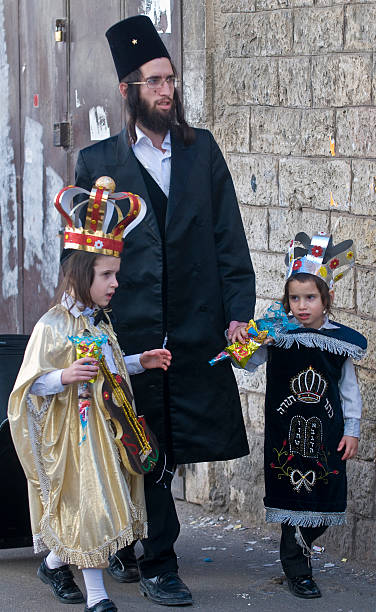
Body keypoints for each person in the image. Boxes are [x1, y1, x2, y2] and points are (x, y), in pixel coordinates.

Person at [74, 15, 255, 607]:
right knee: (139, 437)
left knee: (170, 445)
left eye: (171, 79)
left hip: (196, 323)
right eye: (154, 81)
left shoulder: (202, 152)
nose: (166, 90)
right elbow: (82, 254)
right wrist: (85, 317)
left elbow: (229, 236)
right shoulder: (97, 163)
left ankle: (136, 546)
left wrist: (239, 310)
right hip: (132, 327)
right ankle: (158, 560)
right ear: (128, 90)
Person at [8, 182, 172, 612]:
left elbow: (109, 368)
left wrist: (141, 361)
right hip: (73, 436)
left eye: (115, 274)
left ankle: (55, 561)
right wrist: (63, 374)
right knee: (91, 507)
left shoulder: (100, 324)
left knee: (102, 507)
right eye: (106, 275)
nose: (116, 283)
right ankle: (97, 597)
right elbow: (28, 385)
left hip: (111, 430)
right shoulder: (52, 326)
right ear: (82, 275)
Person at [244, 232, 367, 599]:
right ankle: (298, 571)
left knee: (327, 499)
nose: (301, 306)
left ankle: (299, 545)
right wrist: (250, 339)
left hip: (328, 437)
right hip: (286, 437)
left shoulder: (340, 342)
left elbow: (348, 391)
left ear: (326, 300)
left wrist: (353, 431)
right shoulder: (278, 335)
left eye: (310, 298)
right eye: (294, 298)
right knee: (290, 503)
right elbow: (247, 362)